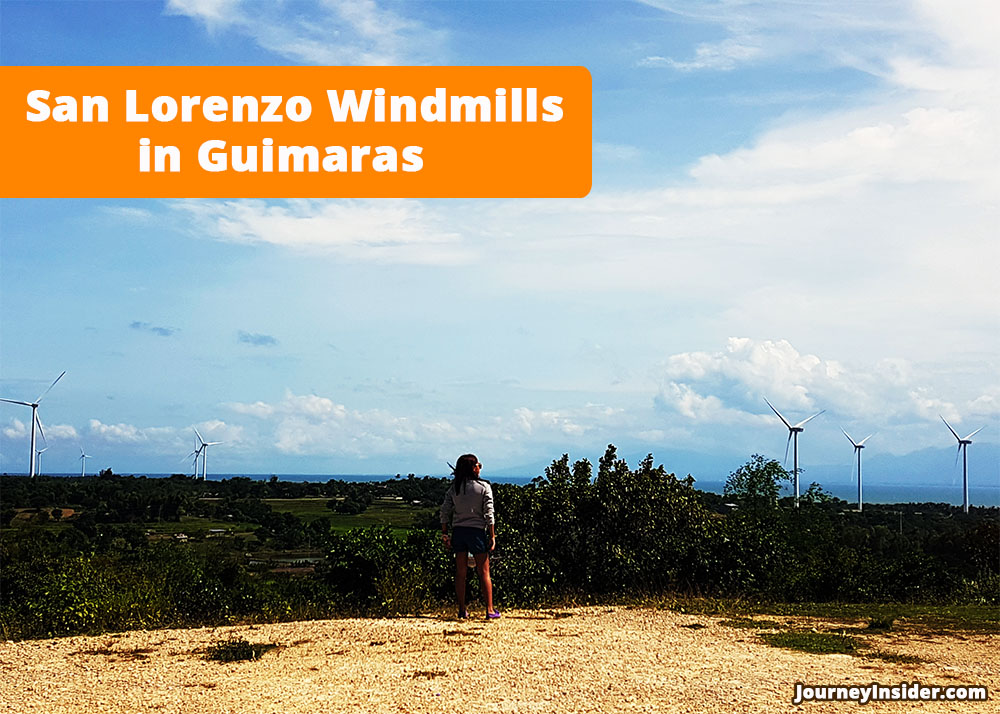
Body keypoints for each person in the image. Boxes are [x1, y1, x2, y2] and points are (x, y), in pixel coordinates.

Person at [439, 453, 499, 620]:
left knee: (460, 572)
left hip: (459, 531)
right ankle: (489, 609)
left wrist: (445, 533)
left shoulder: (455, 488)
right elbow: (489, 513)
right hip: (477, 532)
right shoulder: (484, 487)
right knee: (484, 571)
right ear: (474, 468)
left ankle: (461, 609)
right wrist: (492, 535)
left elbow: (444, 511)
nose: (480, 467)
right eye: (478, 464)